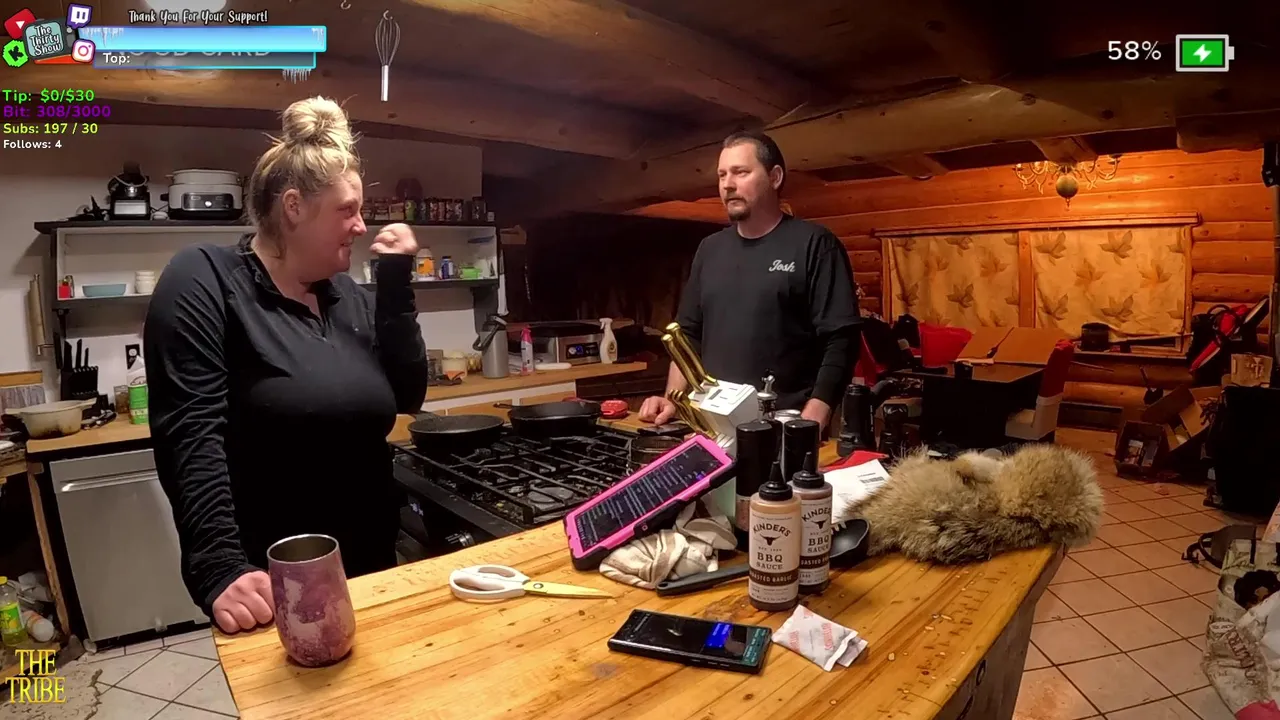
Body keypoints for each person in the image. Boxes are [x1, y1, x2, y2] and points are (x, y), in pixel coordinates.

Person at [145, 97, 428, 634]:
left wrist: (394, 286)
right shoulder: (206, 279)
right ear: (294, 207)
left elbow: (407, 396)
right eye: (348, 210)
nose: (361, 226)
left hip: (372, 564)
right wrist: (218, 565)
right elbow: (191, 433)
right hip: (273, 582)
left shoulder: (347, 297)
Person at [639, 131, 861, 430]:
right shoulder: (710, 249)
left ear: (775, 177)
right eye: (722, 175)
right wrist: (673, 399)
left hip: (785, 423)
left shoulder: (814, 244)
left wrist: (817, 411)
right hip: (710, 422)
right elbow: (688, 334)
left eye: (740, 172)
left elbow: (841, 338)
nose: (727, 184)